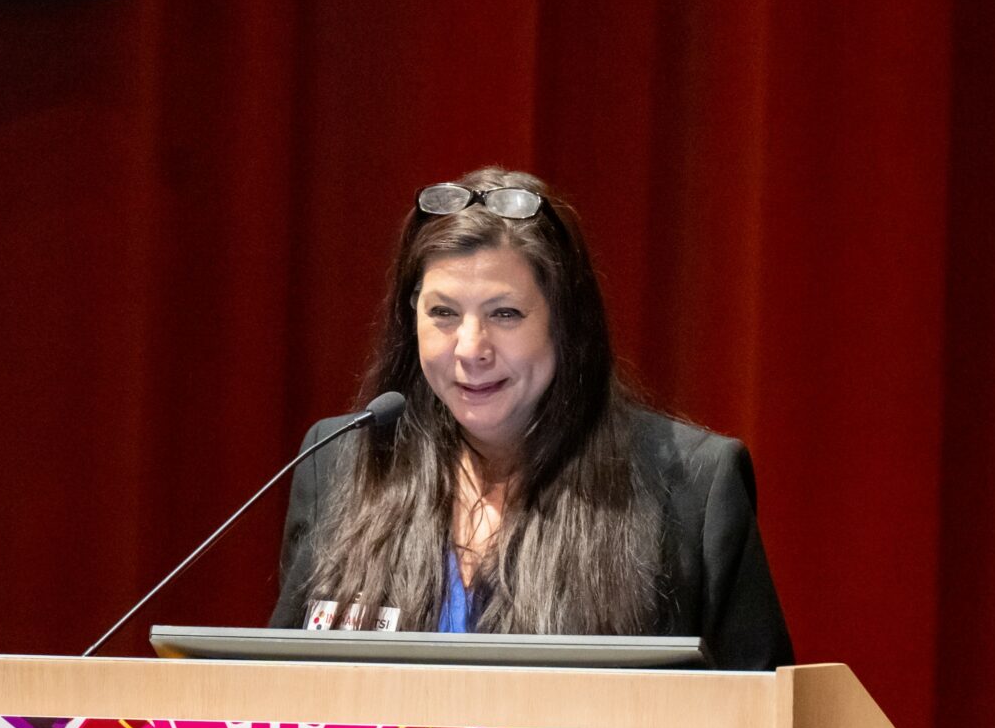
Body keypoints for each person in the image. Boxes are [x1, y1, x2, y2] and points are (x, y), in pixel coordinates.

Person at [271, 167, 793, 669]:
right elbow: (275, 695)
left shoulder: (691, 487)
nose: (471, 348)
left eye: (505, 314)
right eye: (443, 313)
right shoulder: (344, 463)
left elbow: (766, 725)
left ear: (564, 324)